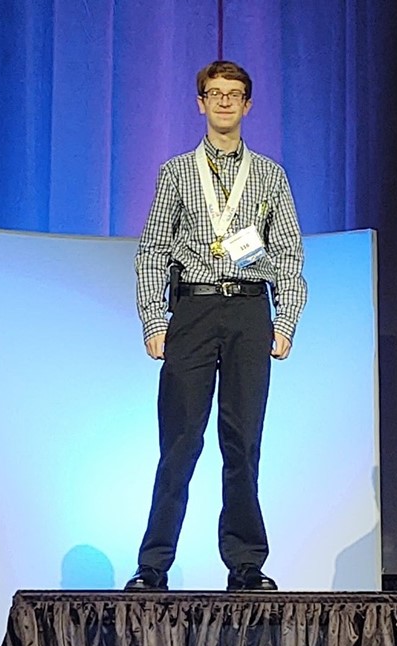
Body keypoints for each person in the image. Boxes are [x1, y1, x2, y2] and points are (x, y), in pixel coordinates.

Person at [125, 60, 307, 592]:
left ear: (248, 105)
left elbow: (289, 254)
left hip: (250, 312)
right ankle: (153, 565)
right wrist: (154, 320)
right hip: (194, 309)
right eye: (214, 93)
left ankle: (247, 563)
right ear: (200, 103)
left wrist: (285, 320)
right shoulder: (176, 172)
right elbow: (153, 249)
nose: (224, 102)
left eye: (235, 95)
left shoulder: (271, 175)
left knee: (243, 442)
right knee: (179, 442)